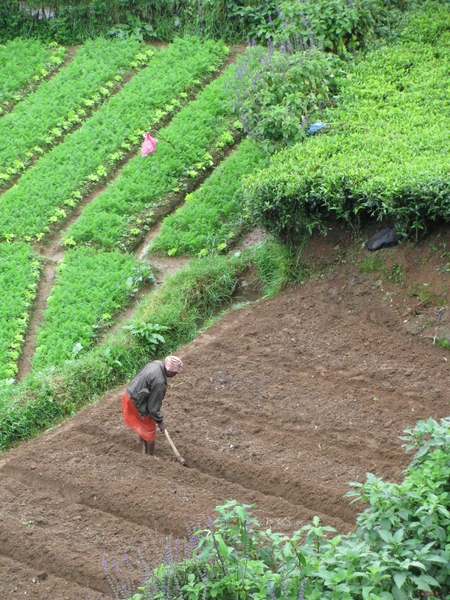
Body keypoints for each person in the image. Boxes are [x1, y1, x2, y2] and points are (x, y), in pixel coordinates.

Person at [122, 355, 183, 457]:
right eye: (175, 373)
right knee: (149, 428)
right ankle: (150, 457)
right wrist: (160, 421)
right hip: (136, 401)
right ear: (170, 371)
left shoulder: (156, 363)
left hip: (129, 394)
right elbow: (153, 407)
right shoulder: (160, 383)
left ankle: (143, 449)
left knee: (143, 424)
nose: (175, 375)